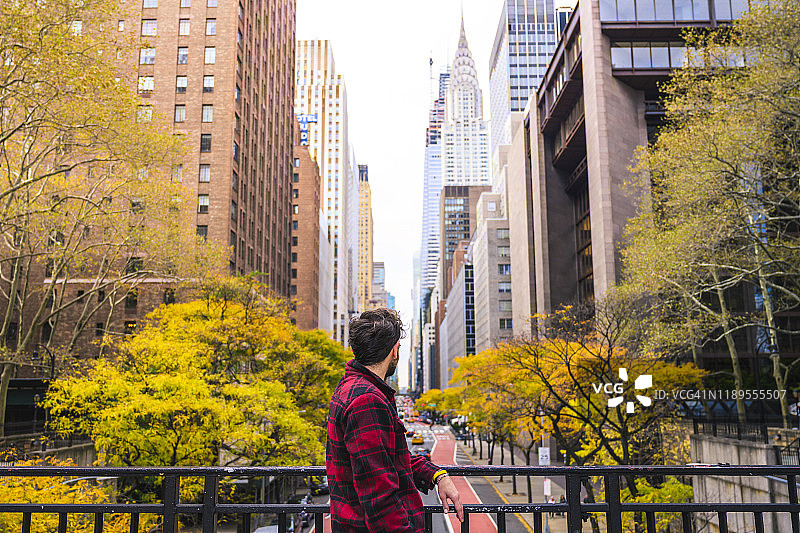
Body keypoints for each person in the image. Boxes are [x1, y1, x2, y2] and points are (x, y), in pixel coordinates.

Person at [327, 309, 463, 532]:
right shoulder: (367, 399)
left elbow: (388, 458)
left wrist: (436, 475)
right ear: (394, 350)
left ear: (354, 349)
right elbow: (379, 495)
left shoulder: (351, 389)